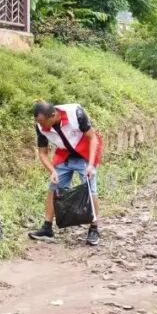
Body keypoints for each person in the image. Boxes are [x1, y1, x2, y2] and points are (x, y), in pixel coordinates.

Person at [28, 101, 104, 246]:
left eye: (43, 122)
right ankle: (47, 228)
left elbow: (93, 138)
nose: (41, 126)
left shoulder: (75, 113)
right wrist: (52, 171)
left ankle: (94, 228)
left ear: (53, 115)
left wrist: (91, 164)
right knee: (54, 187)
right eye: (39, 122)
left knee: (90, 188)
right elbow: (42, 153)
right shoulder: (40, 126)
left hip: (85, 153)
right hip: (64, 155)